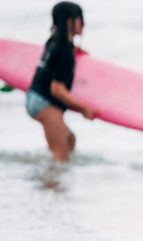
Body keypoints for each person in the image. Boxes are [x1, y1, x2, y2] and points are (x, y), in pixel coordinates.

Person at [26, 2, 96, 162]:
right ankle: (51, 185)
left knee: (70, 140)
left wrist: (73, 51)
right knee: (60, 156)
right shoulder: (65, 52)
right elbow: (57, 89)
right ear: (70, 21)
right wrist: (83, 109)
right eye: (81, 19)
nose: (83, 24)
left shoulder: (53, 42)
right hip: (46, 103)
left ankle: (48, 179)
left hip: (34, 96)